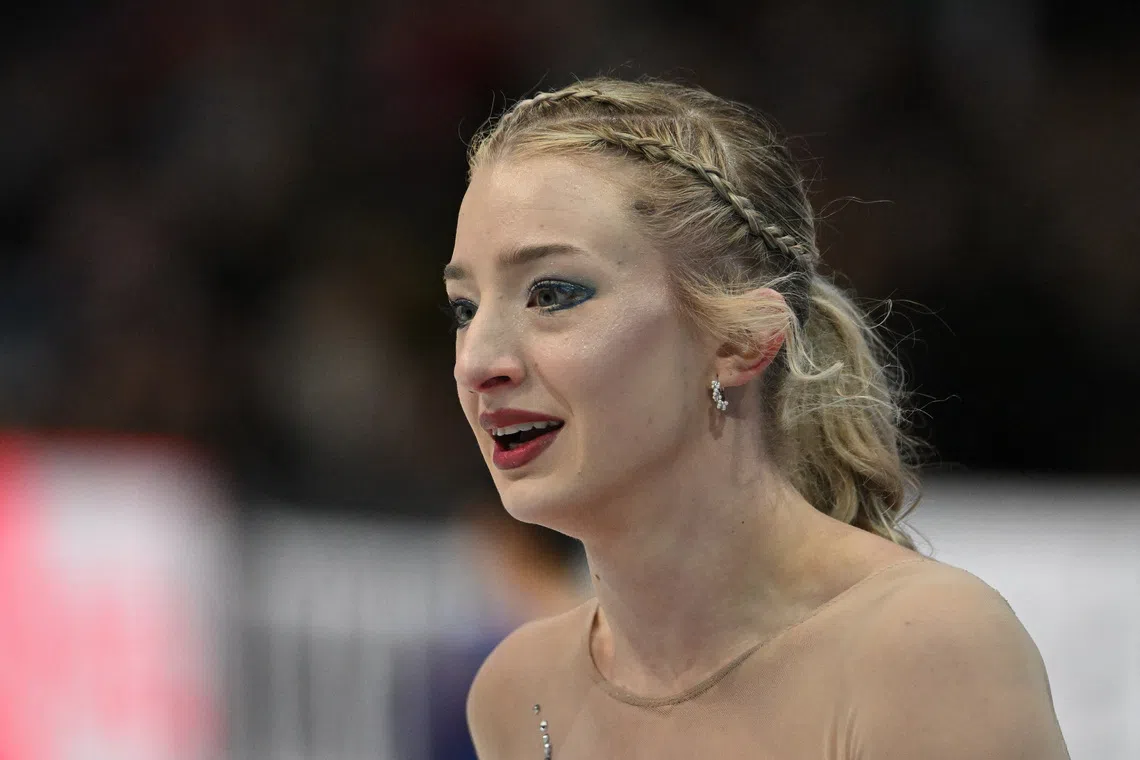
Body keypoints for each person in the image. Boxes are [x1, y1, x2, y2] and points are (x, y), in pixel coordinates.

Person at [443, 78, 1069, 759]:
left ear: (742, 340)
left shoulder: (925, 651)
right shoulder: (516, 690)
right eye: (465, 308)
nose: (479, 360)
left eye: (552, 293)